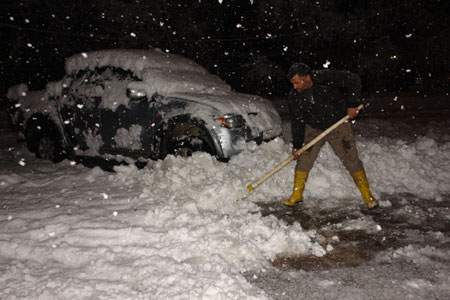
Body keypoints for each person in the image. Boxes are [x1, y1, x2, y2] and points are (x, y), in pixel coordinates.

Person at [283, 62, 378, 209]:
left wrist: (352, 104)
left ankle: (368, 196)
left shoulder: (324, 78)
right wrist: (297, 145)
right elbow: (297, 121)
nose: (295, 87)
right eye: (292, 84)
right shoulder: (295, 96)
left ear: (307, 77)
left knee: (350, 158)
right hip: (314, 128)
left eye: (297, 82)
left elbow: (354, 79)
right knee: (304, 160)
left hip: (338, 124)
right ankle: (297, 195)